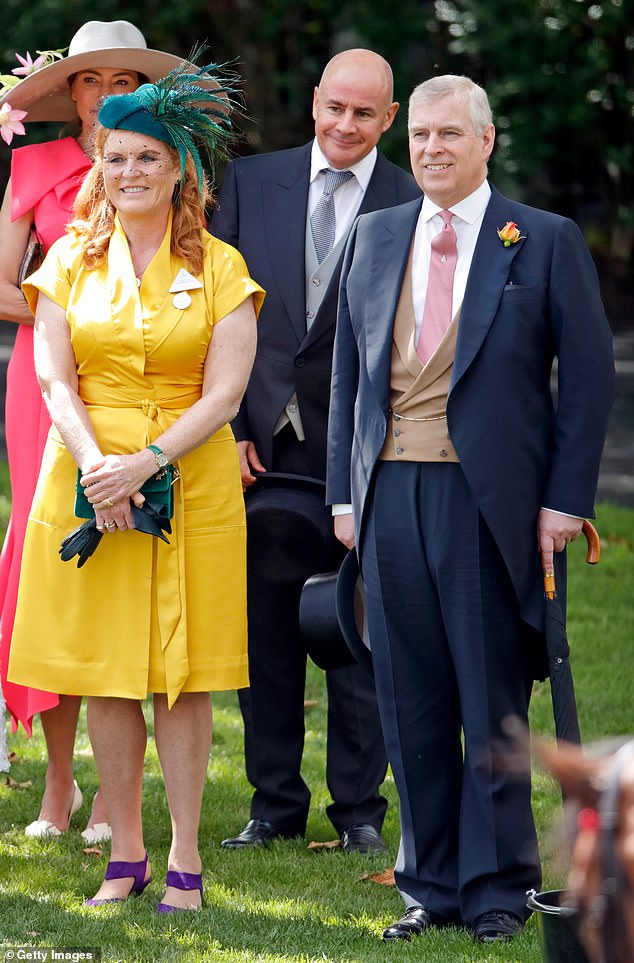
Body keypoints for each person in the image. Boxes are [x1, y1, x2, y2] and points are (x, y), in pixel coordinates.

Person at [326, 75, 614, 941]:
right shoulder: (374, 237)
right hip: (388, 496)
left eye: (450, 134)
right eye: (419, 135)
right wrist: (346, 493)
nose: (431, 150)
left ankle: (496, 885)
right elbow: (348, 370)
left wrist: (566, 501)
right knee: (407, 696)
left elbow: (590, 379)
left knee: (489, 694)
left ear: (487, 141)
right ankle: (429, 884)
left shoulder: (543, 239)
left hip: (490, 502)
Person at [7, 62, 263, 910]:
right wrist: (95, 468)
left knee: (180, 674)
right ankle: (126, 852)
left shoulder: (223, 267)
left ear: (179, 169)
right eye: (115, 158)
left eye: (146, 159)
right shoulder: (69, 263)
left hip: (186, 477)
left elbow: (225, 395)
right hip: (87, 473)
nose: (128, 174)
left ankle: (186, 856)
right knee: (107, 671)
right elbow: (53, 378)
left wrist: (145, 464)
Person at [210, 48, 420, 852]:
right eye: (335, 107)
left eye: (364, 114)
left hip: (363, 451)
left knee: (356, 626)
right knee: (262, 627)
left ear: (388, 119)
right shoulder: (248, 182)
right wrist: (225, 428)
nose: (345, 125)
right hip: (255, 446)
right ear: (315, 101)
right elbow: (212, 315)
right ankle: (272, 804)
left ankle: (360, 811)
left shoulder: (412, 197)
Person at [0, 20, 186, 843]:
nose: (106, 94)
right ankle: (59, 786)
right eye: (90, 80)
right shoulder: (31, 167)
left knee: (127, 572)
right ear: (69, 92)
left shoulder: (171, 174)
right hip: (45, 387)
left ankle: (118, 797)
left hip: (144, 384)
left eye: (122, 80)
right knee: (54, 572)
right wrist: (64, 321)